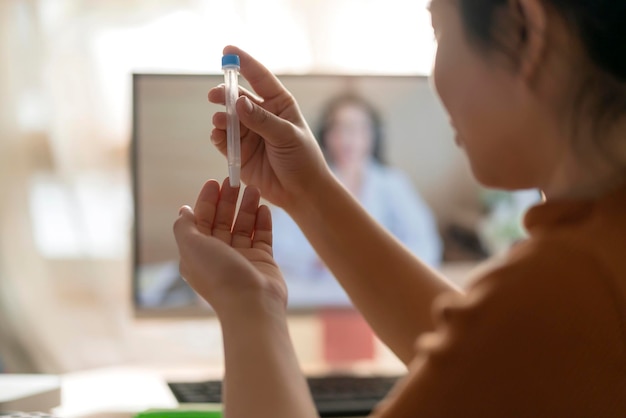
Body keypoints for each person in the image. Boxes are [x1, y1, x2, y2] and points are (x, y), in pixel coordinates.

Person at [173, 0, 626, 415]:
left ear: (522, 32)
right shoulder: (593, 265)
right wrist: (308, 191)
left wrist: (249, 305)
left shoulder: (566, 287)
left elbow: (503, 339)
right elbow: (491, 355)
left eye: (437, 31)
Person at [271, 93, 442, 305]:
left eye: (358, 128)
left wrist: (386, 263)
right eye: (339, 128)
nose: (347, 138)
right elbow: (278, 244)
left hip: (382, 291)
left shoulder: (392, 183)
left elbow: (425, 242)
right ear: (326, 135)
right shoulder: (307, 183)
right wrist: (316, 260)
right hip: (320, 291)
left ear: (373, 135)